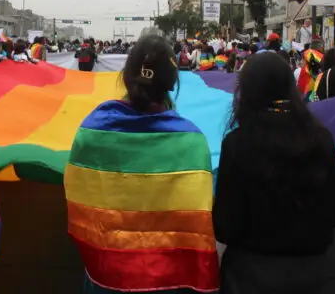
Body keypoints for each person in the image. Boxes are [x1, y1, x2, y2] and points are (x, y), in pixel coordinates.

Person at [65, 35, 219, 293]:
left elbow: (79, 203)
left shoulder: (93, 129)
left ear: (126, 76)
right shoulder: (191, 140)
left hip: (107, 276)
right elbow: (197, 218)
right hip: (169, 281)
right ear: (171, 83)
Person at [213, 52, 335, 294]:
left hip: (249, 274)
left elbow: (226, 225)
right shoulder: (321, 138)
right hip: (312, 272)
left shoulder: (237, 144)